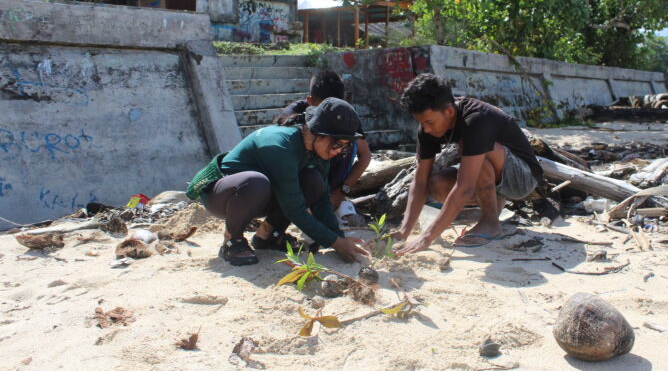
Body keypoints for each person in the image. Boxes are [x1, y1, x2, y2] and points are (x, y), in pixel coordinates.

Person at [186, 97, 369, 265]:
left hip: (260, 196)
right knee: (256, 182)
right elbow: (295, 210)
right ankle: (232, 240)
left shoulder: (319, 153)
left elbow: (321, 200)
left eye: (344, 147)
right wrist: (335, 242)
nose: (338, 151)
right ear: (316, 133)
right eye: (336, 144)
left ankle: (267, 236)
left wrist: (339, 237)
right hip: (222, 194)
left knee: (313, 181)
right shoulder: (280, 147)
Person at [393, 73, 544, 253]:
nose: (426, 129)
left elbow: (464, 186)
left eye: (429, 122)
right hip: (495, 178)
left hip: (523, 179)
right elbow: (420, 181)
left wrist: (427, 237)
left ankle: (490, 222)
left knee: (473, 150)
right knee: (437, 184)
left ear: (449, 111)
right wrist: (404, 231)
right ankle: (493, 205)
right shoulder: (428, 127)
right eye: (422, 123)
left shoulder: (476, 118)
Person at [275, 70, 372, 216]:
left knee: (351, 143)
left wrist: (341, 191)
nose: (330, 118)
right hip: (303, 179)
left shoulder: (344, 116)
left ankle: (329, 198)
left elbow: (365, 155)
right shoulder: (293, 115)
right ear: (310, 102)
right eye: (323, 110)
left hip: (332, 184)